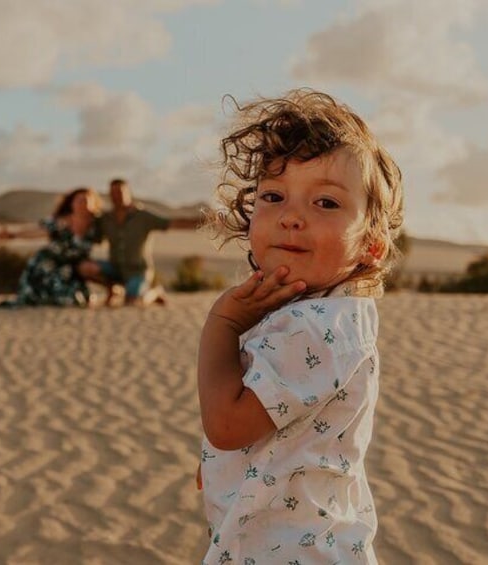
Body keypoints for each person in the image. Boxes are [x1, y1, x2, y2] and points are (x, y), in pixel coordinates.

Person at [196, 89, 404, 564]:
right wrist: (225, 463)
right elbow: (270, 419)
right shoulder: (319, 312)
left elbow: (227, 425)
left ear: (371, 245)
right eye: (273, 196)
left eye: (326, 204)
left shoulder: (318, 327)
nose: (291, 217)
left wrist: (221, 325)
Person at [94, 178, 200, 306]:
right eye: (114, 193)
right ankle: (114, 289)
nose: (117, 196)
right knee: (86, 268)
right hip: (115, 268)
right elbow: (92, 235)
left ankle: (154, 292)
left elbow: (170, 223)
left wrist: (205, 221)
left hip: (138, 270)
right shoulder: (106, 219)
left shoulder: (142, 216)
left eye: (120, 192)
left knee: (134, 302)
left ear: (128, 193)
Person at [0, 187, 102, 307]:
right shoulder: (61, 222)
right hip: (50, 264)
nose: (83, 204)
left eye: (86, 200)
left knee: (82, 299)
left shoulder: (96, 224)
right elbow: (38, 231)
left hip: (74, 268)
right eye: (79, 200)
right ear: (71, 204)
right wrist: (13, 235)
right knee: (56, 299)